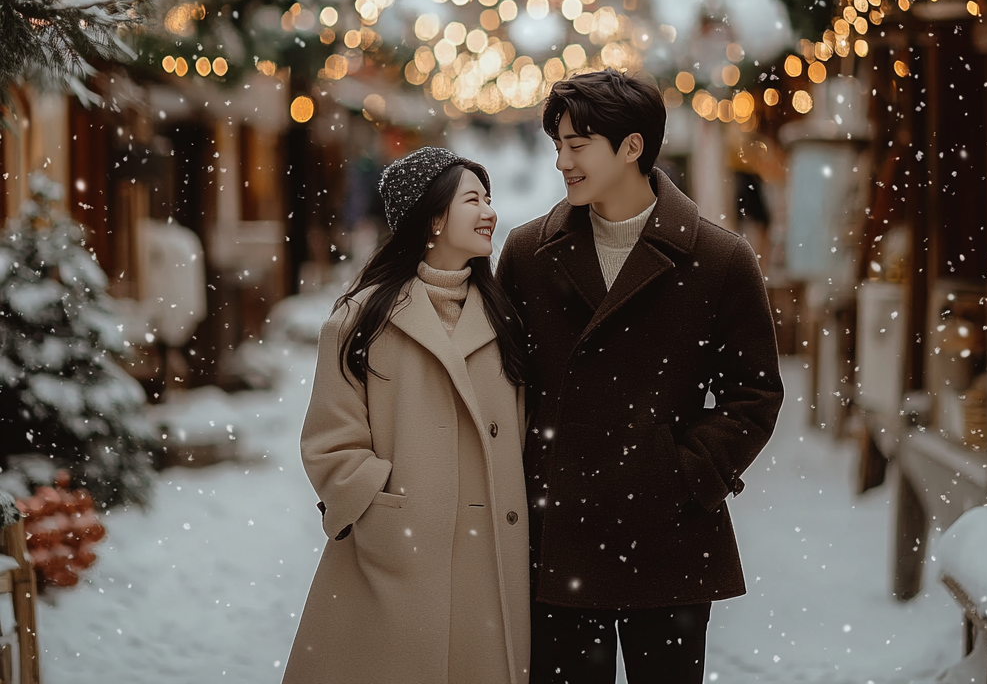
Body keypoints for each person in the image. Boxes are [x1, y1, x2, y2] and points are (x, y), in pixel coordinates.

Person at [497, 71, 784, 684]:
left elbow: (754, 396)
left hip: (667, 537)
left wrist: (679, 472)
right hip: (558, 535)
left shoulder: (720, 259)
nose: (562, 162)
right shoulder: (527, 255)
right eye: (557, 145)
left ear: (632, 148)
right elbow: (500, 382)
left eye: (578, 145)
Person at [284, 147, 530, 684]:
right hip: (397, 558)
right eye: (473, 199)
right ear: (434, 216)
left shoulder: (505, 315)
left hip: (490, 556)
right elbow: (330, 444)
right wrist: (381, 509)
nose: (489, 211)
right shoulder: (359, 321)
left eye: (490, 199)